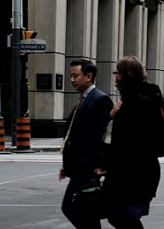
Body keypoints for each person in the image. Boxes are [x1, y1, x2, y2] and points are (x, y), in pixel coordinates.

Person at [96, 56, 164, 228]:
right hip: (134, 171)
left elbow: (125, 141)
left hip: (133, 173)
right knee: (121, 216)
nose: (115, 77)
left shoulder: (136, 102)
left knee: (121, 217)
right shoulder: (137, 99)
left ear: (127, 75)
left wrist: (107, 163)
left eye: (118, 73)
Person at [60, 59, 114, 229]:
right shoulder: (84, 99)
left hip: (88, 167)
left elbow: (105, 135)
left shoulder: (100, 99)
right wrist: (67, 163)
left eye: (76, 75)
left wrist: (101, 163)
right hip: (78, 166)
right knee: (86, 210)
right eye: (71, 76)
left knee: (71, 207)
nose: (72, 79)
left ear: (88, 76)